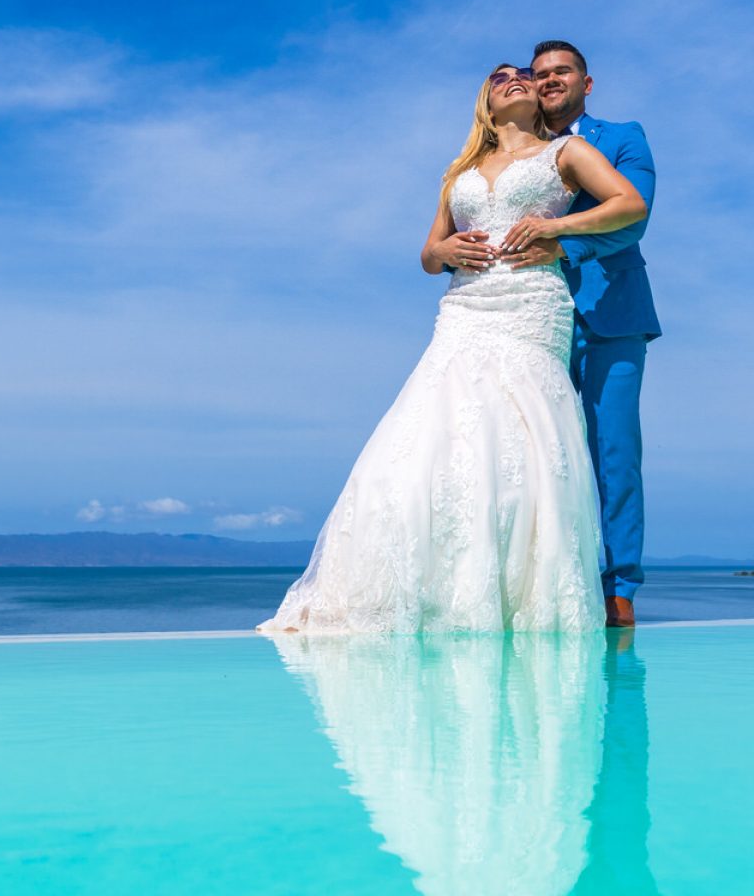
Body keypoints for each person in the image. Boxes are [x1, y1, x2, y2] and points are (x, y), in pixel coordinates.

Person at [257, 62, 646, 634]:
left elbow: (630, 205)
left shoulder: (564, 153)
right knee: (429, 436)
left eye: (523, 76)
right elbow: (428, 255)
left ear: (540, 98)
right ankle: (426, 587)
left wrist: (556, 230)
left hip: (530, 305)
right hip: (464, 310)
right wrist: (450, 249)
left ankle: (520, 593)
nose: (513, 78)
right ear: (485, 102)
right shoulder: (459, 171)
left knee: (523, 437)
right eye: (499, 76)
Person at [498, 41, 659, 627]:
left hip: (611, 315)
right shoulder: (520, 155)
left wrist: (562, 238)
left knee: (613, 452)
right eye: (539, 74)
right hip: (531, 319)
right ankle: (541, 582)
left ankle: (619, 590)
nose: (548, 81)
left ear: (586, 83)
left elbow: (634, 215)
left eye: (561, 71)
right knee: (535, 453)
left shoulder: (622, 136)